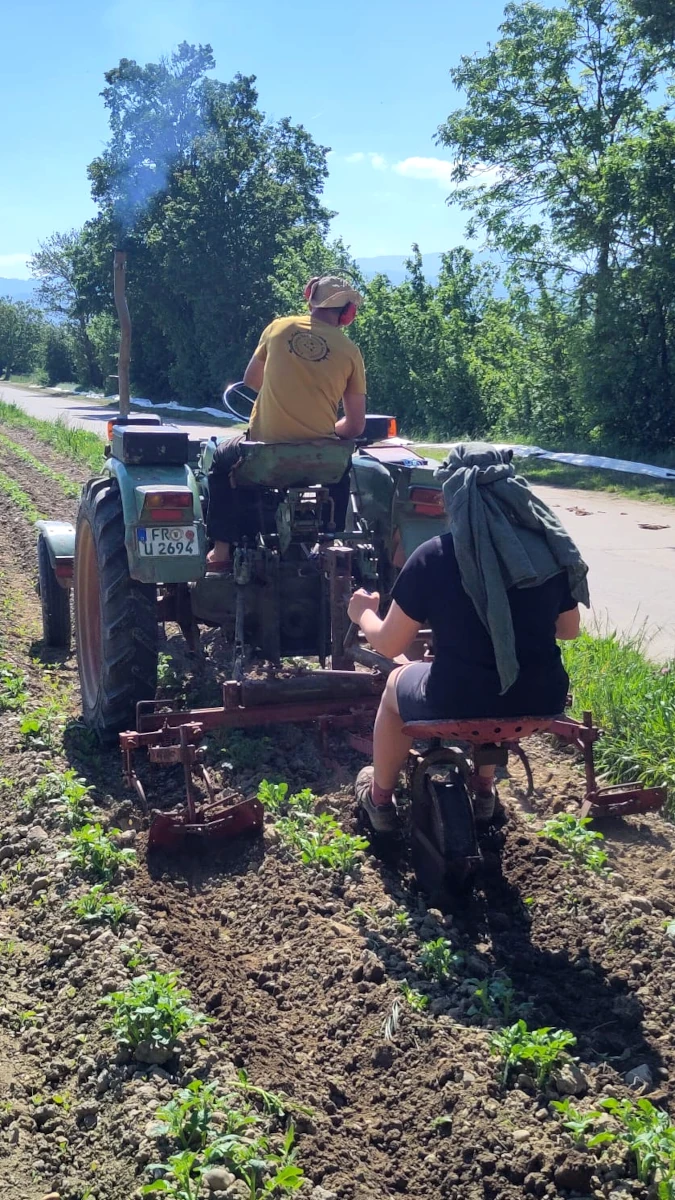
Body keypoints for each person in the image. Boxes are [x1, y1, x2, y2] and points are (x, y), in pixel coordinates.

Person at [347, 443, 590, 833]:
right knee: (499, 684)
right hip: (543, 699)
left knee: (394, 687)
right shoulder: (546, 553)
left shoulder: (433, 556)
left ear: (451, 495)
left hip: (456, 698)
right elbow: (569, 630)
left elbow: (390, 645)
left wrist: (362, 613)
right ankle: (483, 789)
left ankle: (380, 801)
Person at [206, 276, 367, 569]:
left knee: (220, 460)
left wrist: (281, 393)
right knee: (342, 468)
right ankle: (327, 544)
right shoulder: (350, 351)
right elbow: (355, 427)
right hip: (319, 455)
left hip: (265, 452)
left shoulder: (278, 327)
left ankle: (221, 551)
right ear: (347, 313)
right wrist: (329, 430)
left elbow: (251, 380)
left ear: (311, 301)